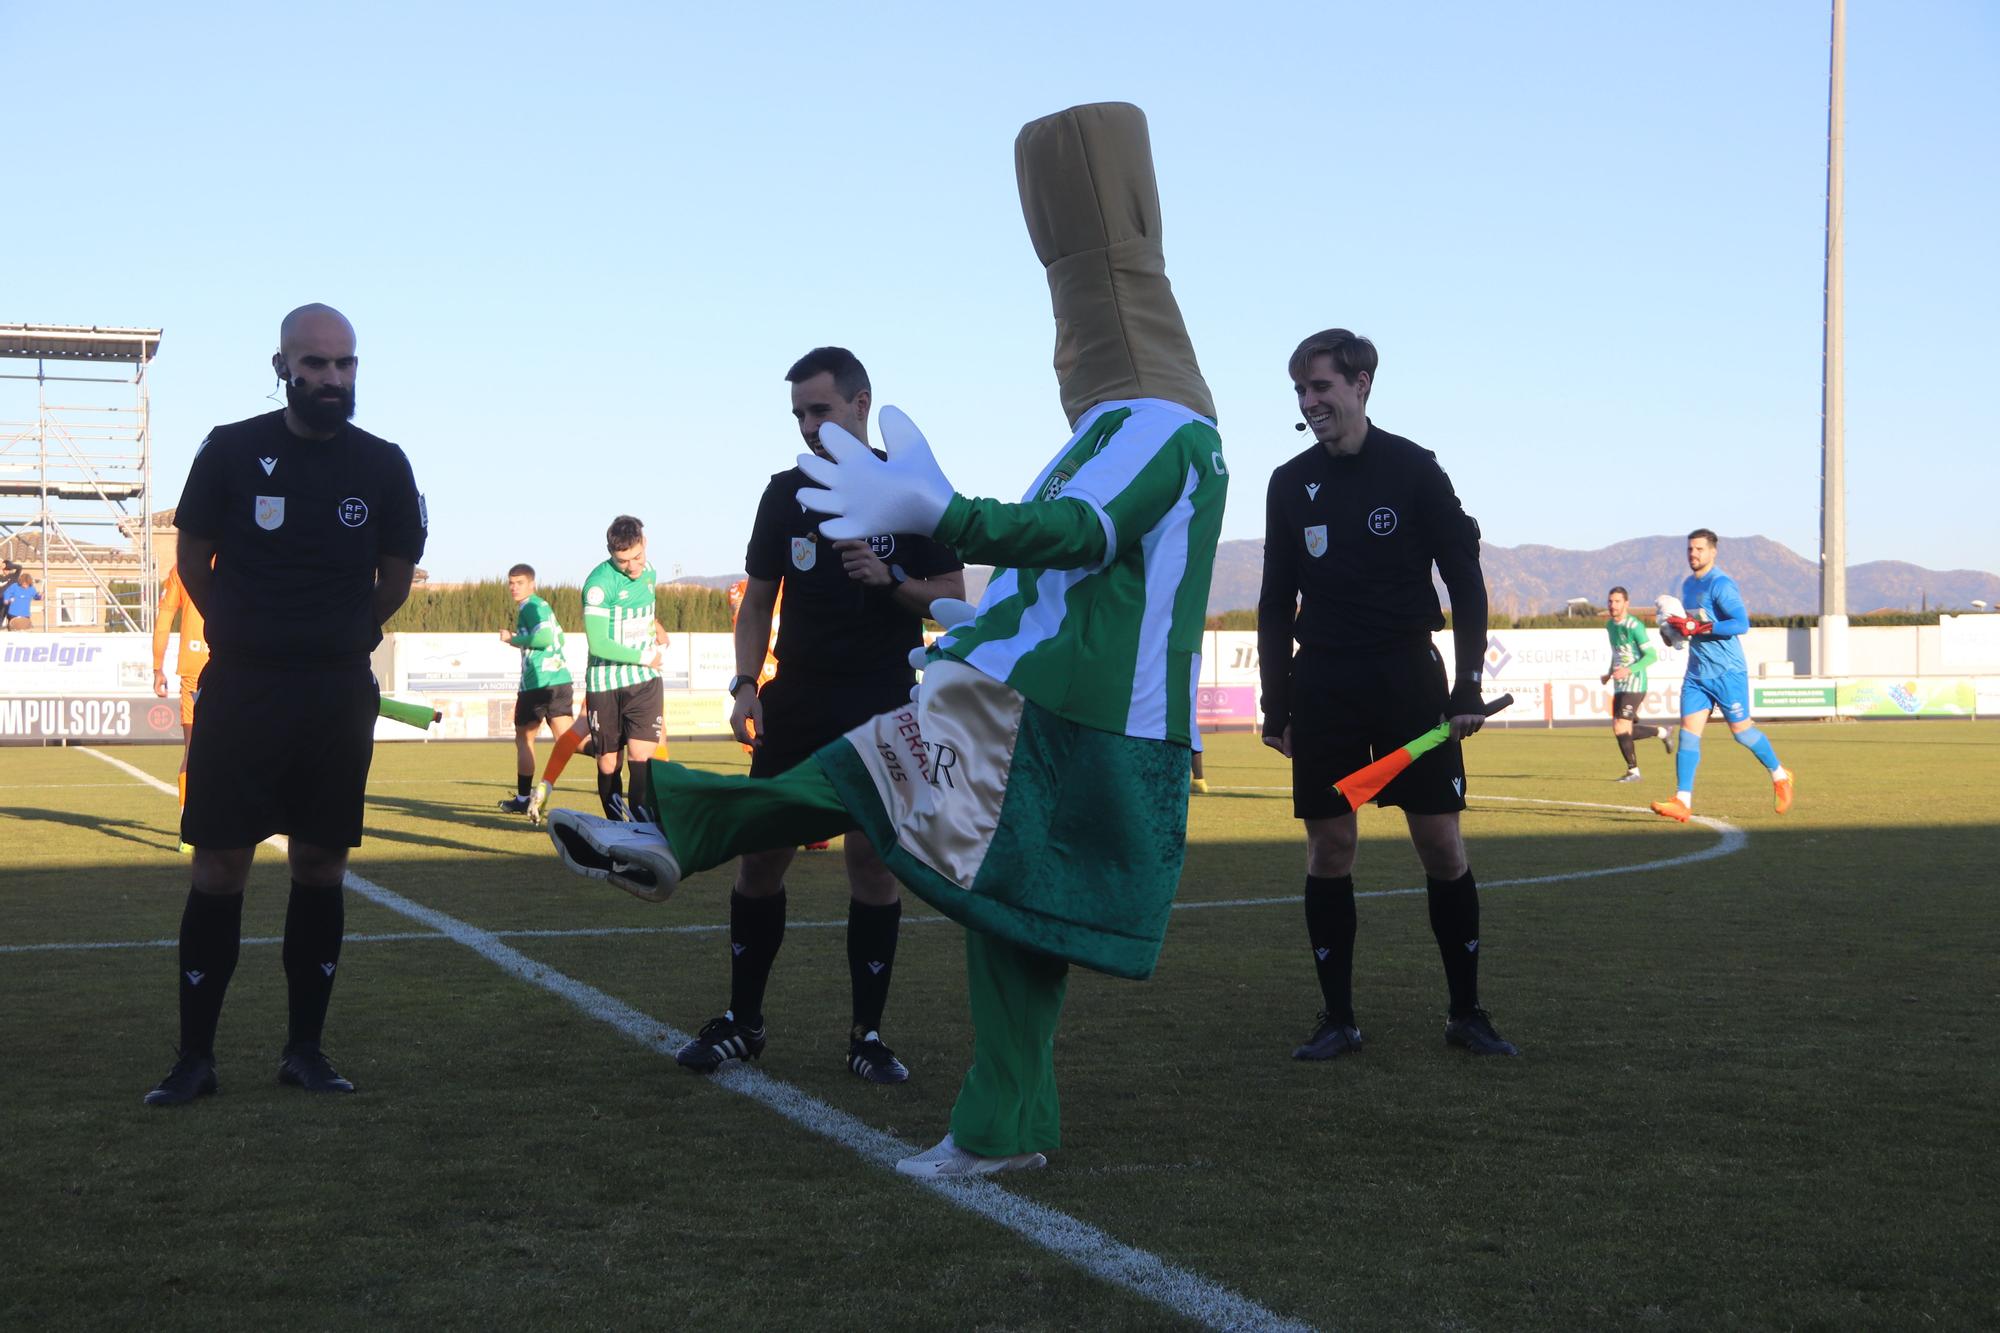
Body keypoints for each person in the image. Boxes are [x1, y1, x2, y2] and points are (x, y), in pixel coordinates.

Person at [549, 102, 1224, 1177]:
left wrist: (941, 517)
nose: (1063, 342)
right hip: (1050, 693)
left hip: (1067, 714)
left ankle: (676, 833)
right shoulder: (1109, 429)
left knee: (874, 779)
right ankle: (1002, 1128)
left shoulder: (1161, 426)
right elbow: (1076, 580)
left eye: (1070, 311)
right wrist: (966, 608)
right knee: (1007, 911)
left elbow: (1080, 533)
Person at [144, 303, 426, 1107]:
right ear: (283, 368)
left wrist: (345, 631)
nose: (332, 379)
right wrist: (238, 624)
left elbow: (396, 575)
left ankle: (305, 1048)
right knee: (221, 864)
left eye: (345, 365)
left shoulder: (383, 465)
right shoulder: (232, 449)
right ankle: (194, 1056)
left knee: (319, 863)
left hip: (336, 691)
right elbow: (193, 554)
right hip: (242, 687)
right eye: (316, 365)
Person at [675, 347, 966, 1084]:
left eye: (820, 410)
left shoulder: (911, 488)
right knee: (761, 856)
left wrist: (893, 579)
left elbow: (954, 594)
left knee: (872, 863)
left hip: (883, 698)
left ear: (861, 405)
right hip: (797, 698)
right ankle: (744, 1022)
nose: (808, 426)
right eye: (800, 413)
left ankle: (867, 1034)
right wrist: (745, 683)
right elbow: (760, 598)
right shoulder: (784, 494)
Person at [1258, 328, 1517, 1062]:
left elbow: (1464, 580)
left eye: (1322, 388)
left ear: (1362, 383)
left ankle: (1466, 1011)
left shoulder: (1414, 470)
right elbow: (1276, 602)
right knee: (1331, 845)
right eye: (1302, 392)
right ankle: (1336, 1018)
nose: (1311, 403)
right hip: (1327, 684)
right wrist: (1277, 704)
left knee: (1440, 843)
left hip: (1409, 679)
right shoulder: (1288, 481)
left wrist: (1467, 684)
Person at [1651, 530, 1794, 822]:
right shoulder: (1688, 585)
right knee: (1689, 735)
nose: (1694, 554)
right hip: (1697, 674)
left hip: (1728, 672)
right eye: (1690, 549)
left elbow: (1741, 624)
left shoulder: (1721, 585)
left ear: (1713, 552)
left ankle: (1780, 776)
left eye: (1700, 549)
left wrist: (1700, 628)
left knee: (1742, 733)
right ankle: (1682, 800)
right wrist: (1673, 632)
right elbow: (1690, 626)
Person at [582, 516, 666, 820]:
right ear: (609, 552)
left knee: (641, 757)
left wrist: (657, 627)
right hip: (605, 683)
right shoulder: (598, 585)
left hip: (644, 682)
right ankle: (617, 828)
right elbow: (599, 644)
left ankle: (640, 831)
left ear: (645, 543)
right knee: (608, 764)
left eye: (637, 557)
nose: (632, 567)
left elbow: (641, 608)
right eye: (623, 561)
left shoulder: (650, 571)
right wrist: (644, 656)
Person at [496, 563, 575, 815]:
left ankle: (522, 799)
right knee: (569, 740)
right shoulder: (544, 606)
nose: (514, 587)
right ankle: (609, 753)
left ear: (532, 584)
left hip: (537, 685)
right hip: (560, 680)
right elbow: (559, 639)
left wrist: (513, 639)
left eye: (519, 582)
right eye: (511, 582)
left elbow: (544, 639)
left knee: (524, 739)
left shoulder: (530, 606)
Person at [152, 559, 213, 848]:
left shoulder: (183, 568)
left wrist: (157, 668)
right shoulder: (243, 556)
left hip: (194, 667)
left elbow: (164, 620)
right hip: (234, 664)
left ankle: (188, 832)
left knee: (193, 750)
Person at [1599, 586, 1671, 782]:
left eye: (1617, 601)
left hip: (1636, 684)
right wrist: (1609, 673)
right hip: (1620, 685)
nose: (1613, 605)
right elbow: (1618, 654)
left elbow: (1651, 656)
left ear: (1626, 604)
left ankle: (1634, 772)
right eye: (1610, 601)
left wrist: (1628, 670)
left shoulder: (1635, 627)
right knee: (1622, 728)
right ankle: (1661, 732)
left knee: (1621, 727)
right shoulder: (1611, 626)